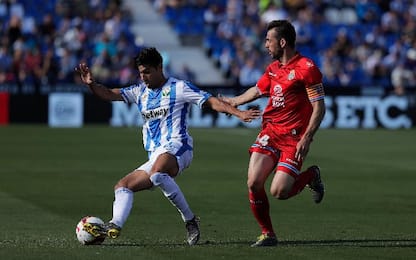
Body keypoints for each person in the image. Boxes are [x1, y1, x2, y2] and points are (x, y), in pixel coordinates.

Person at [75, 47, 260, 246]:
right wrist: (92, 84)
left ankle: (189, 220)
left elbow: (211, 101)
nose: (144, 77)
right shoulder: (140, 92)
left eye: (147, 72)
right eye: (141, 73)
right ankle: (115, 225)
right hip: (156, 155)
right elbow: (109, 94)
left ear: (160, 68)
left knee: (157, 172)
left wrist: (238, 113)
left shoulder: (179, 87)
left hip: (179, 146)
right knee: (122, 187)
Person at [220, 20, 326, 247]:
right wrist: (233, 102)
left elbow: (319, 107)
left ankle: (311, 176)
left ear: (283, 42)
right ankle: (268, 234)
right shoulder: (273, 69)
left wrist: (307, 137)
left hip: (294, 138)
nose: (266, 45)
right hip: (270, 132)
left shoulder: (306, 68)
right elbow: (258, 90)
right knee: (253, 183)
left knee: (280, 191)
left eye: (269, 40)